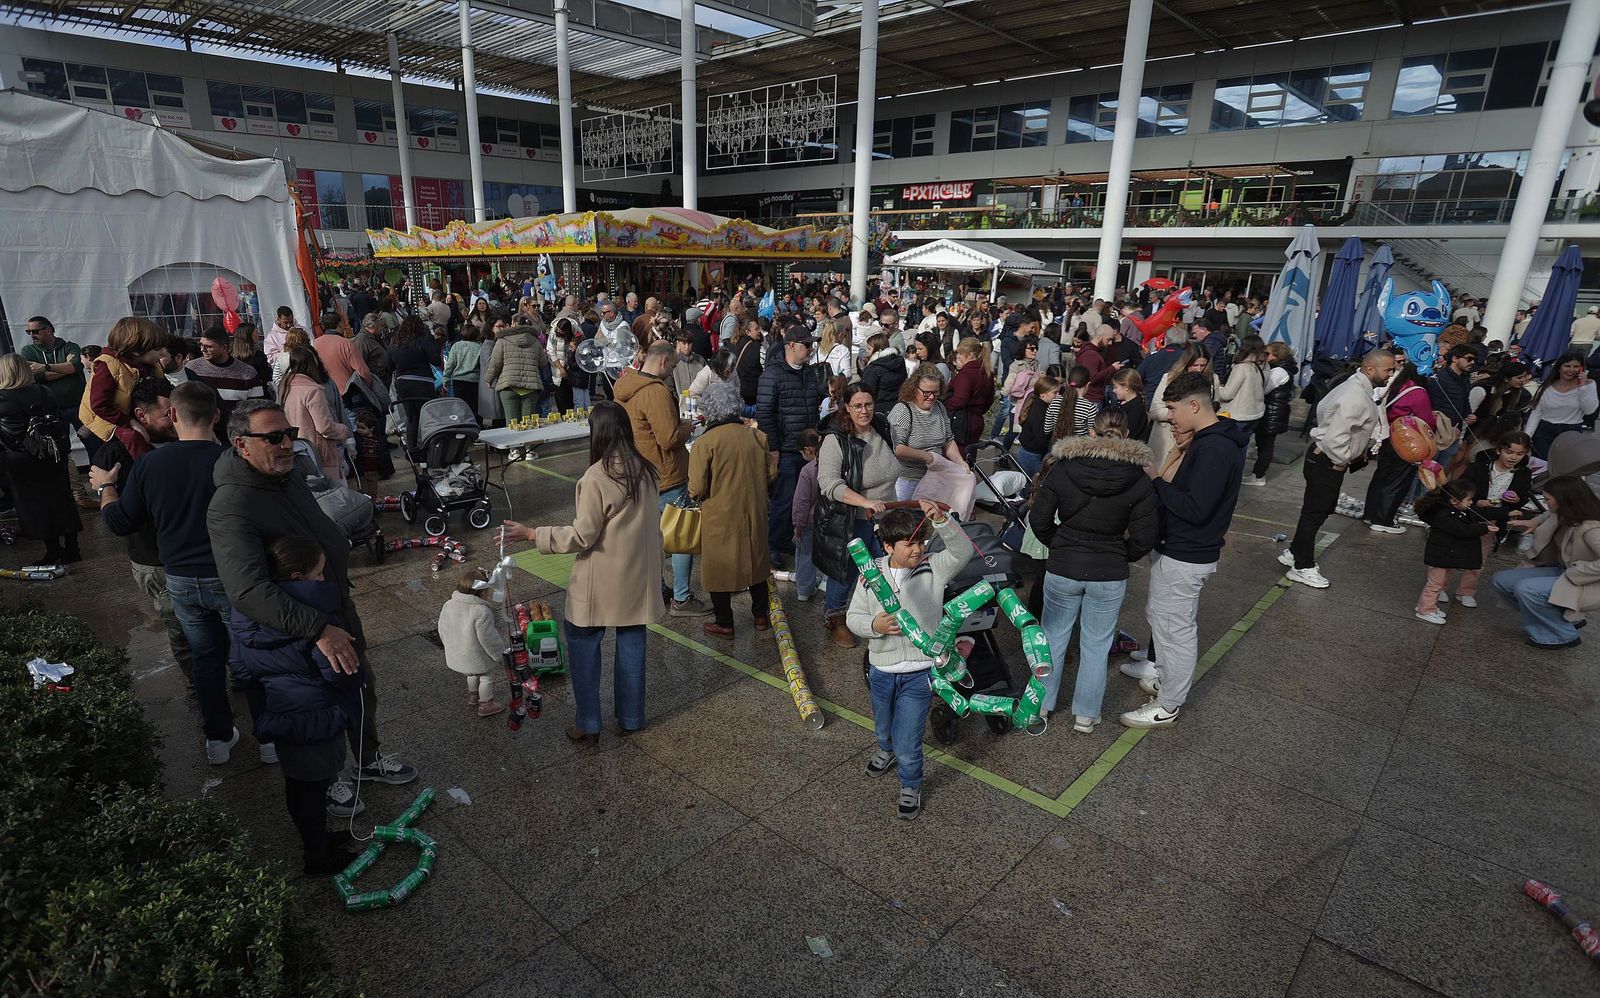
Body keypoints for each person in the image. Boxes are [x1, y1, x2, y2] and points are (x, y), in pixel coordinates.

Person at [93, 382, 242, 762]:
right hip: (230, 576)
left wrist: (105, 490)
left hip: (180, 579)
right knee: (248, 653)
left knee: (204, 659)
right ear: (216, 416)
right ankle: (272, 741)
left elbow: (121, 522)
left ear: (173, 415)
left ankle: (218, 740)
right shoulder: (233, 461)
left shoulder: (149, 464)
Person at [502, 402, 663, 740]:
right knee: (632, 644)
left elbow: (582, 535)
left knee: (582, 643)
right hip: (638, 578)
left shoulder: (598, 476)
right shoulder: (646, 470)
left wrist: (534, 534)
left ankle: (588, 722)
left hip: (600, 581)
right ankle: (632, 718)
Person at [227, 536, 363, 875]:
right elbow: (339, 672)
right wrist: (353, 684)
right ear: (298, 578)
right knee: (313, 790)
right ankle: (317, 857)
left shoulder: (248, 613)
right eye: (318, 575)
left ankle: (314, 839)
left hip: (283, 714)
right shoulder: (318, 621)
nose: (322, 580)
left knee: (300, 785)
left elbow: (241, 669)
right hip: (318, 717)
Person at [1120, 372, 1248, 728]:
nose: (1170, 417)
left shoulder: (1214, 447)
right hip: (1181, 550)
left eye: (1174, 408)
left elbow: (1194, 507)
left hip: (1187, 553)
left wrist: (1156, 481)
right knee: (1164, 623)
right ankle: (1166, 679)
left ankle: (1169, 703)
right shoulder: (1212, 440)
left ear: (1195, 405)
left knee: (1174, 631)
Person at [1032, 410, 1157, 733]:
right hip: (1109, 571)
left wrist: (1058, 544)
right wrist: (1120, 554)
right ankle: (1086, 715)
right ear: (1127, 435)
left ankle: (1041, 707)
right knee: (1096, 645)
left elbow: (1039, 519)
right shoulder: (1138, 478)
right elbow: (1145, 536)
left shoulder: (1064, 468)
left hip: (1064, 564)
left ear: (1090, 432)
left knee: (1052, 639)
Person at [846, 501, 973, 821]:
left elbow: (962, 551)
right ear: (888, 546)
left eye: (921, 541)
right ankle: (884, 750)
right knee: (883, 725)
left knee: (909, 738)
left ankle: (910, 785)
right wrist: (874, 627)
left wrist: (943, 521)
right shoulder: (869, 573)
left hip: (920, 673)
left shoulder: (934, 567)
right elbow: (853, 618)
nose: (918, 549)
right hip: (881, 670)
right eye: (910, 543)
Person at [92, 376, 192, 682]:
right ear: (141, 415)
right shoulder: (116, 454)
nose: (175, 419)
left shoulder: (186, 439)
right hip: (156, 560)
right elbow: (122, 521)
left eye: (176, 411)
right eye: (166, 414)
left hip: (196, 557)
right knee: (183, 633)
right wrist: (107, 490)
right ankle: (200, 690)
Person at [1283, 349, 1397, 589]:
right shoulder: (1355, 393)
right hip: (1327, 460)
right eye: (1388, 369)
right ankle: (1302, 566)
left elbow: (1325, 410)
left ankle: (1294, 552)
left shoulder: (1354, 387)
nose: (1390, 374)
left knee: (1319, 511)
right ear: (1370, 368)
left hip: (1325, 458)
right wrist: (1341, 460)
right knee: (1315, 513)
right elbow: (1337, 435)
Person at [615, 339, 706, 617]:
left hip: (640, 471)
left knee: (651, 538)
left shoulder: (625, 385)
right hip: (668, 474)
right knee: (682, 537)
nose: (674, 371)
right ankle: (681, 598)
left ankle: (657, 589)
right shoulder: (655, 392)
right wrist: (690, 424)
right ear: (664, 361)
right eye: (674, 365)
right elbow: (668, 438)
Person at [816, 382, 898, 648]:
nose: (864, 411)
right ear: (847, 408)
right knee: (846, 571)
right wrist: (864, 502)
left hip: (886, 518)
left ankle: (883, 617)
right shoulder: (835, 439)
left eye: (869, 404)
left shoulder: (882, 427)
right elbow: (829, 484)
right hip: (851, 519)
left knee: (888, 571)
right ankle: (836, 619)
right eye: (858, 406)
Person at [689, 381, 774, 637]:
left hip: (720, 515)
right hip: (755, 512)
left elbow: (696, 487)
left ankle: (724, 622)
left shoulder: (706, 443)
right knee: (757, 562)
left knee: (718, 568)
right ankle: (761, 615)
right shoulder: (757, 436)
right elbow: (771, 473)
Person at [1496, 475, 1600, 650]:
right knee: (1502, 581)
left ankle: (1561, 635)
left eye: (1547, 499)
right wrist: (1535, 521)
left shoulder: (1592, 528)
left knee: (1527, 589)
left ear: (1563, 500)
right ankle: (1557, 619)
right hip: (1563, 569)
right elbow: (1547, 514)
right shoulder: (1567, 511)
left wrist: (1578, 572)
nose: (1545, 503)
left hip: (1587, 580)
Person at [755, 325, 827, 571]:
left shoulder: (808, 373)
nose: (810, 349)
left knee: (803, 499)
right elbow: (764, 413)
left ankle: (787, 540)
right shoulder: (772, 375)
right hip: (785, 449)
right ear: (791, 345)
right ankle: (774, 545)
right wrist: (773, 448)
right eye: (807, 345)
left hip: (807, 448)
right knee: (783, 499)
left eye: (811, 345)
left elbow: (811, 404)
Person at [0, 354, 80, 563]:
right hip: (51, 454)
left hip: (19, 460)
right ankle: (73, 549)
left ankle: (53, 550)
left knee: (36, 507)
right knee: (63, 500)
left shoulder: (2, 398)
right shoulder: (45, 392)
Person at [1363, 360, 1436, 534]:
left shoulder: (1397, 385)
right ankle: (1383, 519)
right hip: (1406, 444)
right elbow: (1426, 421)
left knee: (1381, 478)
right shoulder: (1418, 393)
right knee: (1397, 482)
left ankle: (1370, 514)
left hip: (1389, 437)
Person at [1413, 480, 1496, 625]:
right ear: (1454, 500)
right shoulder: (1445, 515)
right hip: (1439, 555)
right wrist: (1484, 528)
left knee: (1436, 584)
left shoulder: (1450, 512)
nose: (1471, 503)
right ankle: (1425, 610)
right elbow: (1462, 530)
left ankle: (1428, 606)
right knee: (1435, 585)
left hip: (1442, 554)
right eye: (1468, 499)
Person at [79, 316, 164, 453]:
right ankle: (145, 468)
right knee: (134, 438)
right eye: (157, 349)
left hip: (128, 412)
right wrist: (131, 423)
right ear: (137, 351)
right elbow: (100, 405)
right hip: (105, 418)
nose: (161, 353)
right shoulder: (108, 366)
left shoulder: (149, 366)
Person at [439, 567, 506, 718]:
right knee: (486, 676)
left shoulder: (448, 605)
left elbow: (442, 629)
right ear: (482, 592)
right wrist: (498, 654)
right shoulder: (481, 611)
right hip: (477, 656)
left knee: (471, 673)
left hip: (459, 655)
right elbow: (488, 638)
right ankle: (486, 704)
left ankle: (473, 695)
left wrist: (449, 646)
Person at [887, 365, 962, 501]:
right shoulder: (903, 410)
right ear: (915, 388)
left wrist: (960, 462)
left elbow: (949, 440)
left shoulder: (939, 408)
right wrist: (926, 457)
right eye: (926, 392)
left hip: (933, 478)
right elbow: (896, 448)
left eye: (936, 392)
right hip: (906, 480)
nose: (932, 397)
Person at [278, 347, 351, 481]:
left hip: (296, 449)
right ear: (313, 363)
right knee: (332, 496)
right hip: (319, 454)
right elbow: (325, 427)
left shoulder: (284, 387)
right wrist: (343, 430)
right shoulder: (313, 390)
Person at [185, 324, 266, 441]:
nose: (202, 349)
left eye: (208, 346)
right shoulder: (192, 369)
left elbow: (256, 408)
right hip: (200, 434)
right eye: (201, 345)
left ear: (224, 348)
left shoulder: (247, 373)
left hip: (234, 435)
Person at [1148, 345, 1217, 470]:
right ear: (1186, 363)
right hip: (1166, 437)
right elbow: (1155, 411)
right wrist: (1179, 414)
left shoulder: (1212, 380)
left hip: (1193, 440)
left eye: (1203, 365)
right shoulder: (1169, 378)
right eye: (1195, 365)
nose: (1199, 369)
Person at [483, 315, 548, 444]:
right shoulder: (535, 341)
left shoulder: (502, 340)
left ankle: (514, 450)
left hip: (509, 386)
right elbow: (543, 363)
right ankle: (529, 449)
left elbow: (495, 363)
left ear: (513, 323)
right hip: (531, 386)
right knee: (528, 421)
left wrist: (489, 379)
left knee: (511, 421)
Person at [1524, 353, 1596, 459]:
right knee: (1544, 464)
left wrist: (1583, 387)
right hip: (1544, 430)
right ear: (1559, 368)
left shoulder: (1589, 385)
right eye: (1567, 366)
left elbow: (1589, 410)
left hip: (1571, 430)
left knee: (1564, 465)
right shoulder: (1547, 386)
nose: (1571, 370)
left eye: (1576, 367)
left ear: (1581, 369)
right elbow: (1537, 412)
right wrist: (1526, 436)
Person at [20, 315, 86, 430]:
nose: (31, 335)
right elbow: (37, 377)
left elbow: (76, 366)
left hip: (80, 405)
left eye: (35, 331)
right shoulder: (28, 351)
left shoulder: (69, 346)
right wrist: (67, 368)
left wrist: (45, 367)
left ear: (48, 330)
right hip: (52, 410)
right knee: (60, 447)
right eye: (28, 332)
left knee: (94, 445)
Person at [1246, 342, 1296, 486]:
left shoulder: (1279, 371)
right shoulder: (1281, 369)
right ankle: (1257, 473)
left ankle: (1259, 475)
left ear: (1276, 355)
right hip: (1272, 412)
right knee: (1264, 444)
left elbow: (1264, 388)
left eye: (1267, 354)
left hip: (1271, 414)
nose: (1265, 356)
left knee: (1266, 445)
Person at [791, 428, 823, 603]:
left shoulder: (808, 470)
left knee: (804, 555)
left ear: (808, 450)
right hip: (828, 519)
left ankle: (804, 589)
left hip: (809, 521)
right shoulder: (833, 465)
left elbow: (801, 502)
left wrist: (798, 525)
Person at [946, 337, 995, 453]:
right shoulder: (986, 372)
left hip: (962, 423)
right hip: (977, 420)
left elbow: (960, 399)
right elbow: (989, 399)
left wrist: (946, 404)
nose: (958, 356)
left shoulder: (966, 374)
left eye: (961, 353)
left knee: (957, 458)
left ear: (971, 355)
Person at [1014, 374, 1068, 479]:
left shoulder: (1040, 405)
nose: (1058, 396)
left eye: (1059, 392)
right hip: (1031, 455)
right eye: (1054, 393)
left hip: (1031, 453)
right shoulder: (1040, 411)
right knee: (1033, 486)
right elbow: (1041, 436)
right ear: (1042, 394)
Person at [1216, 335, 1267, 438]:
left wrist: (1216, 386)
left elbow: (1227, 394)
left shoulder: (1242, 367)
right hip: (1255, 413)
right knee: (1243, 445)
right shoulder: (1264, 366)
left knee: (1231, 447)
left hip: (1238, 415)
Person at [994, 337, 1041, 445]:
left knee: (1027, 429)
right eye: (1032, 348)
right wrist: (1003, 393)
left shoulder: (1037, 364)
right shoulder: (1016, 365)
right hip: (1017, 402)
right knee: (1013, 431)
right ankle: (1003, 455)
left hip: (1032, 401)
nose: (1035, 351)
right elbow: (1010, 381)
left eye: (1036, 348)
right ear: (1023, 350)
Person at [444, 322, 484, 416]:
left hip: (459, 380)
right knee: (474, 407)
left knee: (461, 408)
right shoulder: (479, 347)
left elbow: (450, 365)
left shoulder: (456, 346)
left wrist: (446, 378)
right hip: (475, 381)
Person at [859, 332, 906, 410]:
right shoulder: (899, 362)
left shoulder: (873, 368)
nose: (867, 351)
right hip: (899, 406)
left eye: (869, 348)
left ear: (877, 349)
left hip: (879, 408)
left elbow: (867, 392)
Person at [1109, 367, 1148, 442]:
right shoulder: (1121, 404)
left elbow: (1130, 434)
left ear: (1126, 387)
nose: (1113, 390)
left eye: (1115, 387)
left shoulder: (1137, 409)